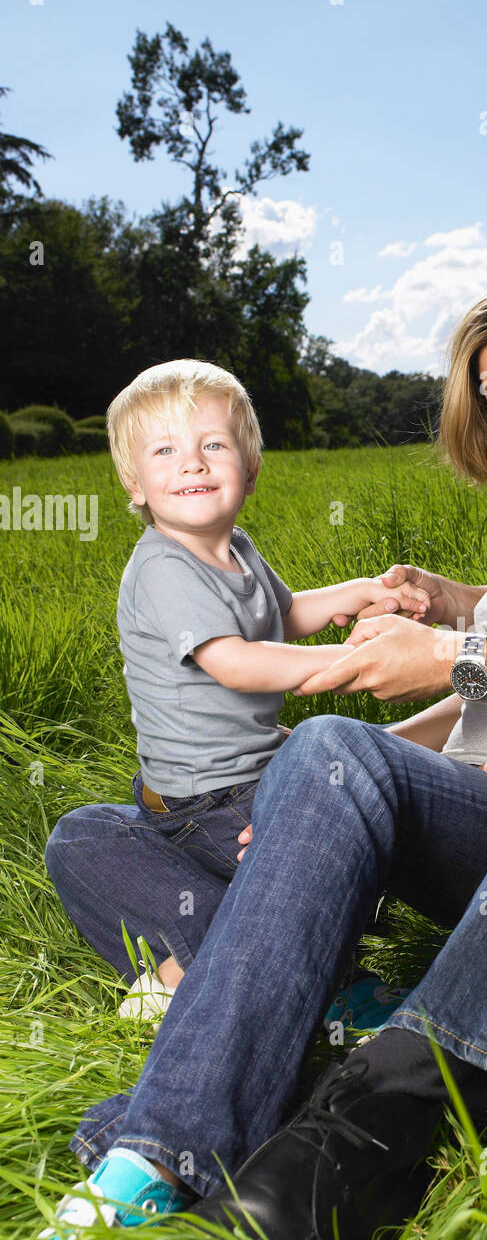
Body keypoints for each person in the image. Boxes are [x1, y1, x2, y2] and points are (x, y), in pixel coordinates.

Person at [17, 270, 487, 1240]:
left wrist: (355, 774)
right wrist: (339, 784)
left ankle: (151, 1159)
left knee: (333, 753)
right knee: (126, 818)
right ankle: (301, 997)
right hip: (469, 794)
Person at [58, 358, 429, 1020]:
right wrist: (335, 664)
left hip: (240, 781)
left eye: (213, 446)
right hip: (205, 797)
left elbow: (281, 614)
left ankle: (237, 969)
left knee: (328, 821)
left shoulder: (238, 550)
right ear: (133, 481)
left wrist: (358, 593)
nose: (192, 464)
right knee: (79, 838)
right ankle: (245, 961)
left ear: (250, 469)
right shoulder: (162, 569)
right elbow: (235, 661)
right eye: (165, 450)